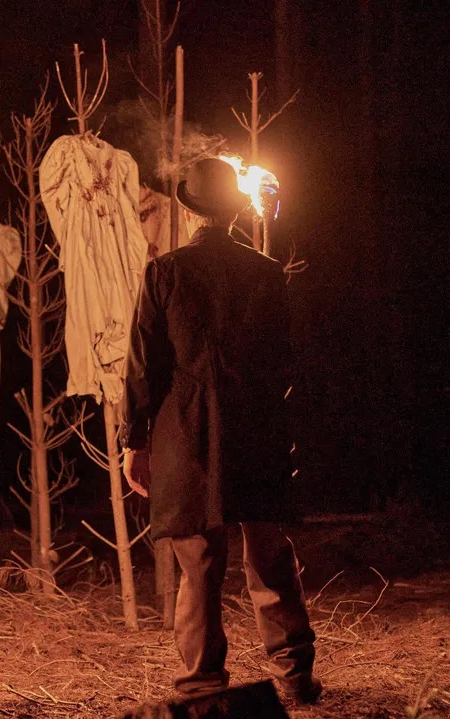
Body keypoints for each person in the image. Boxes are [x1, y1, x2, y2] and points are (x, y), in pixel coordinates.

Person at [120, 158, 321, 705]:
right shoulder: (265, 272)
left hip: (186, 431)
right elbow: (287, 359)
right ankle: (294, 675)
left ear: (188, 212)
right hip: (255, 427)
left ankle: (203, 684)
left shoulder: (165, 272)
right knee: (269, 555)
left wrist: (134, 441)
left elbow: (143, 366)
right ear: (233, 213)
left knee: (198, 562)